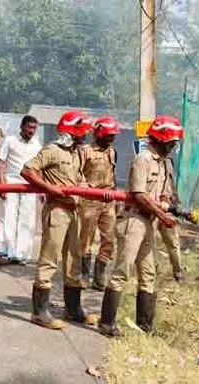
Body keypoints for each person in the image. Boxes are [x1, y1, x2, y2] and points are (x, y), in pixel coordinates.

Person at [99, 116, 183, 337]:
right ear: (162, 139)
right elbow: (139, 194)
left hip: (150, 222)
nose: (174, 146)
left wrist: (166, 206)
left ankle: (145, 325)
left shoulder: (165, 163)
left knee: (148, 273)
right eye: (172, 142)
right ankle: (106, 323)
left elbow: (164, 193)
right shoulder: (143, 159)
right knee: (122, 271)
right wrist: (162, 215)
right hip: (134, 221)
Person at [20, 110, 98, 330]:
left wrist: (90, 190)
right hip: (57, 211)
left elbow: (78, 180)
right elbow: (27, 171)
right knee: (49, 258)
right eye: (82, 133)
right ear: (72, 132)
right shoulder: (52, 151)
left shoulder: (75, 154)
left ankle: (73, 308)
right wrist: (50, 189)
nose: (85, 137)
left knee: (74, 258)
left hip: (73, 213)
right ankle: (39, 312)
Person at [0, 115, 42, 266]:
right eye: (29, 127)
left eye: (34, 128)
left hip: (30, 186)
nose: (32, 131)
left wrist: (42, 190)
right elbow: (1, 162)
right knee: (8, 217)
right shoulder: (10, 140)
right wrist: (2, 185)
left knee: (27, 220)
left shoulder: (37, 145)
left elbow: (40, 169)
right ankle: (4, 252)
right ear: (22, 127)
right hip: (11, 183)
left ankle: (21, 255)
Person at [78, 116, 119, 291]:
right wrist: (85, 189)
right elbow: (77, 174)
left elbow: (113, 174)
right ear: (99, 134)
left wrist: (115, 197)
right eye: (109, 135)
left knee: (109, 239)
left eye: (113, 136)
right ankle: (84, 276)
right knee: (86, 239)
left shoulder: (112, 151)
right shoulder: (85, 151)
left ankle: (99, 277)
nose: (112, 139)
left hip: (108, 201)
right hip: (89, 200)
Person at [159, 156, 186, 283]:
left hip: (167, 207)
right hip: (151, 207)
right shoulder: (145, 159)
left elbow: (171, 184)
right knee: (145, 242)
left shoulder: (168, 161)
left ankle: (178, 272)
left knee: (173, 242)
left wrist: (177, 203)